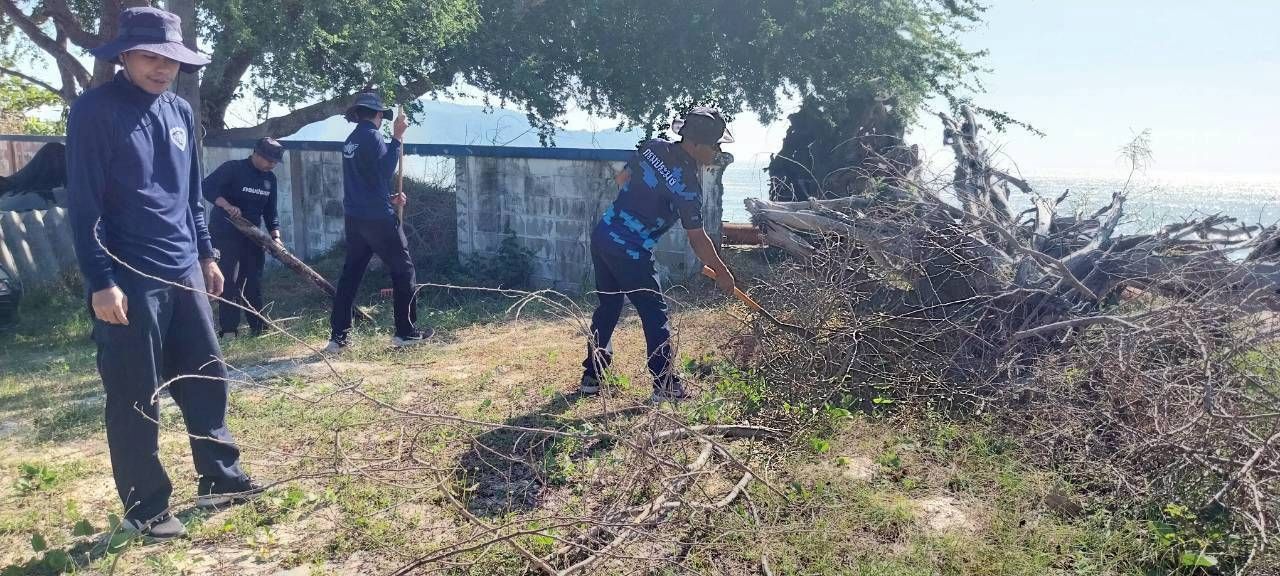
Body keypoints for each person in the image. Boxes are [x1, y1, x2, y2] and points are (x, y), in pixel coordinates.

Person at [66, 7, 261, 541]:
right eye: (150, 56)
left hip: (184, 269)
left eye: (170, 58)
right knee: (134, 392)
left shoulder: (179, 111)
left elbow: (191, 194)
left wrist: (206, 255)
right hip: (128, 276)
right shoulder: (95, 111)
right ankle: (146, 506)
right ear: (124, 56)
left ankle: (220, 476)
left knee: (205, 375)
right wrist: (100, 280)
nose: (161, 67)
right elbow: (84, 205)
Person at [579, 107, 738, 403]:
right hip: (631, 251)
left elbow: (623, 179)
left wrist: (637, 206)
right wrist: (723, 272)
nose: (717, 151)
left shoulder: (652, 147)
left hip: (604, 235)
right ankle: (665, 385)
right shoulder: (689, 187)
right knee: (654, 314)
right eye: (714, 145)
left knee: (609, 306)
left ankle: (592, 376)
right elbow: (698, 239)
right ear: (695, 144)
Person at [325, 92, 429, 353]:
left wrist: (389, 197)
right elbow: (383, 171)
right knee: (404, 271)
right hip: (378, 218)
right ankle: (405, 332)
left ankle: (338, 337)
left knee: (351, 274)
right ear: (379, 115)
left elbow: (368, 180)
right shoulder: (373, 137)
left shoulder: (351, 141)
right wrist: (396, 138)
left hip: (355, 217)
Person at [203, 138, 285, 337]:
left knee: (253, 280)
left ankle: (259, 328)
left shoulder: (270, 179)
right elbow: (206, 187)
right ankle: (229, 330)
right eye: (268, 160)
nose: (271, 164)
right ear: (255, 153)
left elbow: (270, 211)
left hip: (252, 236)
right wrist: (226, 205)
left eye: (274, 162)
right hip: (225, 233)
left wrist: (275, 236)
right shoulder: (233, 169)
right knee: (228, 280)